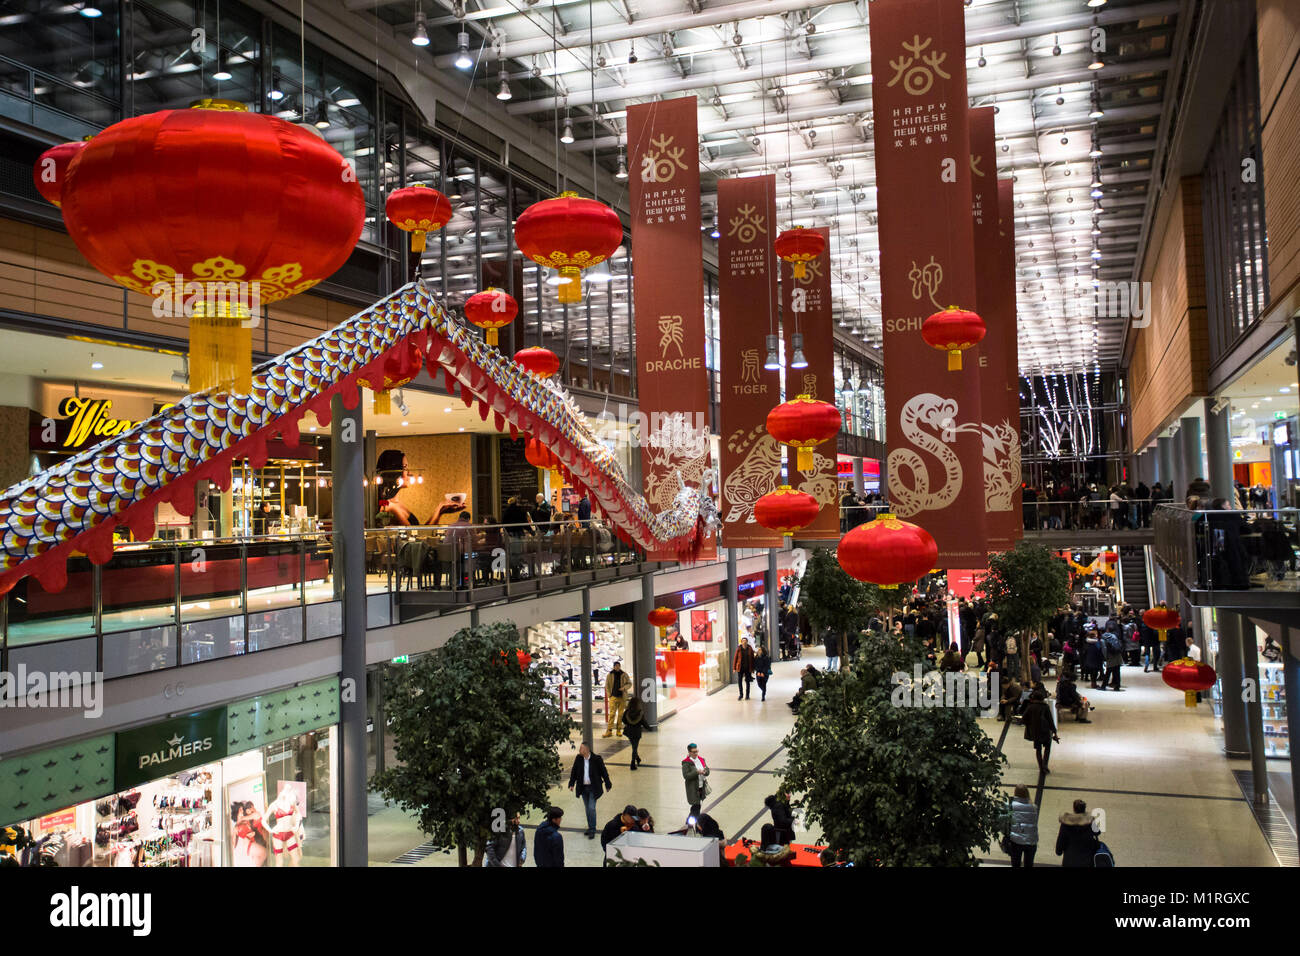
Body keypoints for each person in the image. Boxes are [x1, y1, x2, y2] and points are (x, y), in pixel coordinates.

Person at [567, 741, 612, 838]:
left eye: (581, 748)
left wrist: (607, 783)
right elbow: (574, 771)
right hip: (583, 788)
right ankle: (590, 827)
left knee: (591, 808)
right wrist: (571, 783)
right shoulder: (578, 758)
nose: (579, 750)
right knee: (587, 808)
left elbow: (604, 772)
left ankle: (592, 829)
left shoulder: (597, 759)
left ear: (587, 750)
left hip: (594, 788)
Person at [1022, 688, 1059, 774]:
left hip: (1035, 732)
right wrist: (1054, 732)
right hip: (1045, 732)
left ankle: (1041, 767)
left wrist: (1030, 724)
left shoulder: (1030, 707)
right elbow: (1050, 720)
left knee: (1038, 750)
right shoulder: (1045, 707)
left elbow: (1023, 719)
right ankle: (1045, 765)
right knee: (1047, 748)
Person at [1056, 799, 1100, 867]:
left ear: (1074, 808)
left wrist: (1058, 851)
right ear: (1084, 809)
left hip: (1069, 859)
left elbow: (1061, 839)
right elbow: (1097, 832)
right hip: (1087, 859)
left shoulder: (1066, 822)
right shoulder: (1090, 820)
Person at [1002, 784, 1039, 867]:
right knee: (1029, 864)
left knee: (1015, 864)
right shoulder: (1034, 807)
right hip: (1031, 841)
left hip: (1015, 841)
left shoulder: (1009, 806)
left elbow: (1002, 821)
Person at [682, 743, 710, 820]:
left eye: (697, 751)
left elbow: (707, 770)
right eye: (694, 752)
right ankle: (692, 822)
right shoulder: (686, 763)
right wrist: (697, 772)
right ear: (689, 752)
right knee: (696, 806)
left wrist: (705, 772)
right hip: (693, 788)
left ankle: (692, 822)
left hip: (701, 786)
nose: (696, 753)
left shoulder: (701, 759)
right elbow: (686, 776)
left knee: (697, 805)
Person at [603, 661, 631, 737]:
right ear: (614, 666)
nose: (617, 667)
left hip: (622, 697)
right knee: (612, 714)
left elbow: (629, 683)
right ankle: (609, 731)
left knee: (620, 714)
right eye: (616, 666)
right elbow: (607, 685)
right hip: (613, 697)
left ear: (620, 666)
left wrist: (624, 688)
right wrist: (610, 695)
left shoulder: (624, 674)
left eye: (618, 665)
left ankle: (618, 730)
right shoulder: (610, 675)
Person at [622, 696, 646, 770]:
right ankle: (632, 763)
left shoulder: (627, 712)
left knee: (634, 747)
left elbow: (623, 720)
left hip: (629, 732)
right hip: (637, 732)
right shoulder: (640, 712)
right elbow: (644, 722)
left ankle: (638, 758)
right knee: (634, 748)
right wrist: (649, 728)